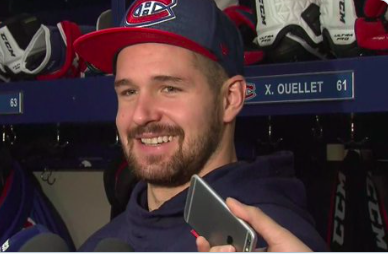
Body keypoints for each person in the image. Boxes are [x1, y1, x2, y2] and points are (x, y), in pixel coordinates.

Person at [74, 0, 327, 251]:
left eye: (169, 88)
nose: (141, 115)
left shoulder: (274, 240)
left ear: (230, 99)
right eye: (129, 92)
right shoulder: (101, 244)